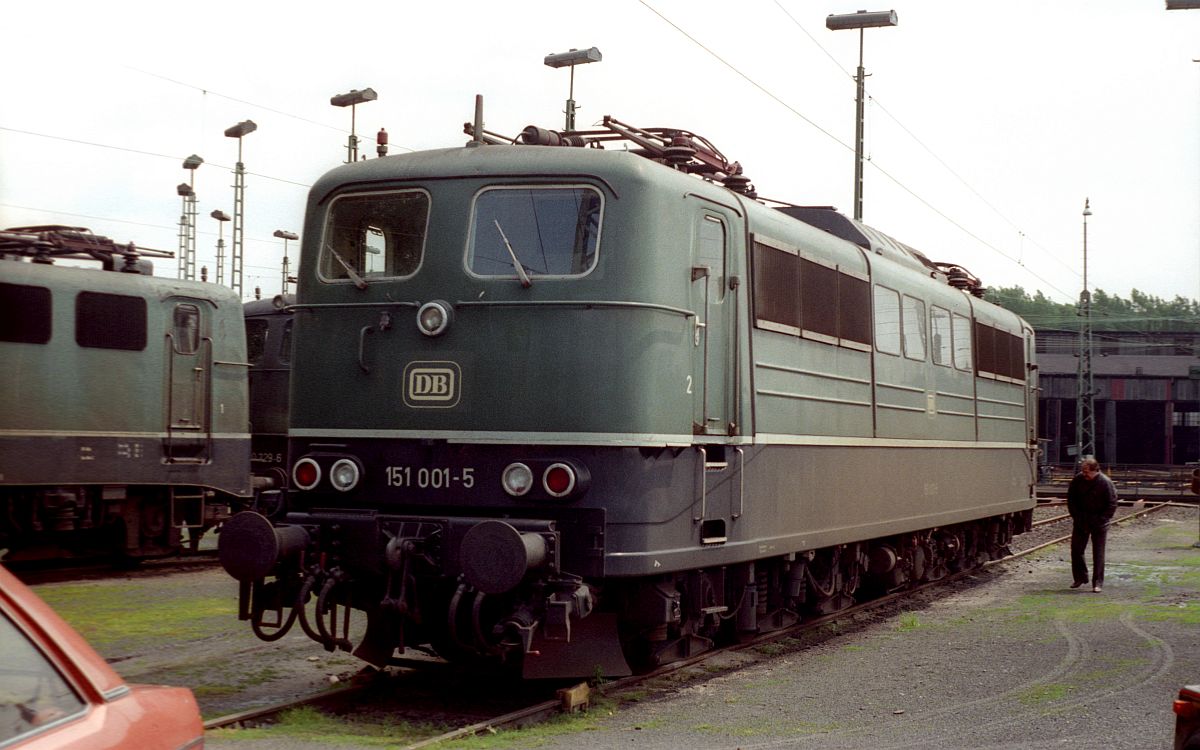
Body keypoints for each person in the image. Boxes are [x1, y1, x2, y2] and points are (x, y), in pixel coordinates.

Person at [1066, 457, 1119, 592]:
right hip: (1081, 520)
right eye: (1083, 471)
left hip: (1099, 522)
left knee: (1098, 553)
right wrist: (1076, 516)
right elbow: (1071, 499)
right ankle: (1080, 577)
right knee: (1076, 550)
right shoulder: (1078, 480)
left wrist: (1102, 519)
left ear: (1095, 470)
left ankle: (1098, 582)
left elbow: (1112, 503)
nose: (1084, 474)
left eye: (1087, 472)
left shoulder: (1105, 483)